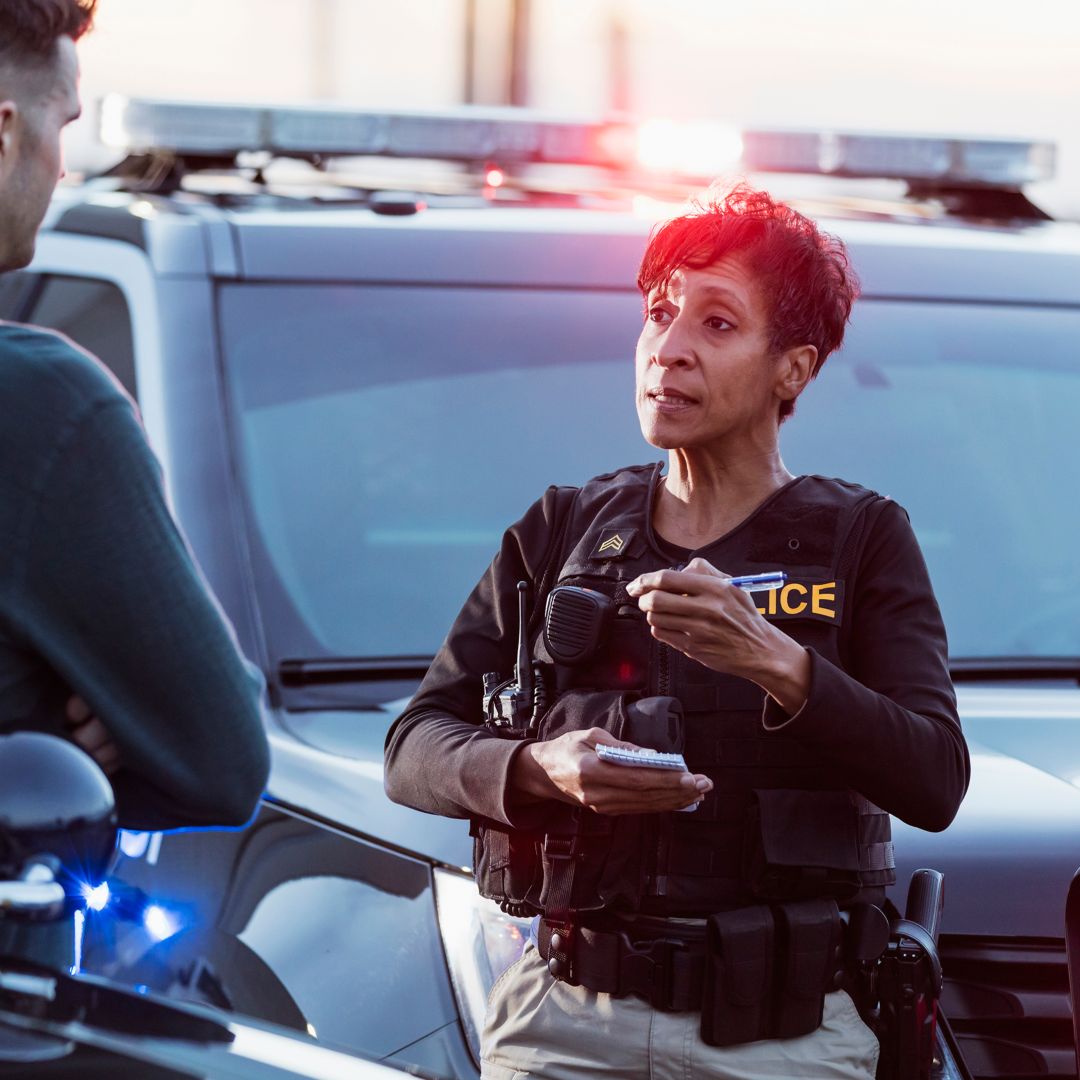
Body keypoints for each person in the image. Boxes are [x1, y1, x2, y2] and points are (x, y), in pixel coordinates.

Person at [385, 183, 970, 1079]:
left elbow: (935, 780)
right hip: (562, 1025)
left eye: (718, 325)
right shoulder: (564, 528)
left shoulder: (863, 539)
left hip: (784, 1044)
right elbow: (412, 746)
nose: (671, 351)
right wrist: (541, 769)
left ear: (794, 370)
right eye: (659, 316)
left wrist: (777, 662)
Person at [0, 0, 269, 831]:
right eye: (63, 126)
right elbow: (222, 763)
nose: (63, 168)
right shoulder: (40, 405)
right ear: (3, 131)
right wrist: (70, 728)